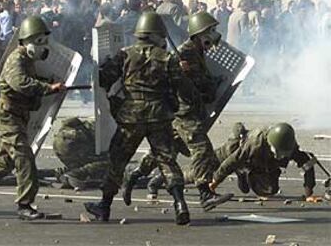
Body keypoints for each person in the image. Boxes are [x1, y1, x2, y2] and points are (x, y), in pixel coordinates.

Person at [84, 12, 190, 225]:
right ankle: (180, 205)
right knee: (166, 161)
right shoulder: (167, 58)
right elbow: (181, 87)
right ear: (158, 35)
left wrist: (104, 64)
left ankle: (104, 206)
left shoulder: (125, 55)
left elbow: (104, 79)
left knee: (117, 161)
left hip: (131, 117)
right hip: (159, 115)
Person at [123, 12, 233, 212]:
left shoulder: (198, 52)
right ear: (200, 34)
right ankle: (205, 193)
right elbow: (172, 79)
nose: (215, 34)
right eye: (212, 31)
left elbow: (202, 82)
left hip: (187, 111)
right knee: (202, 149)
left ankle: (136, 173)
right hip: (183, 111)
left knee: (165, 152)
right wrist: (184, 72)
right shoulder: (185, 53)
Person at [0, 16, 66, 220]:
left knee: (6, 160)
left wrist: (50, 83)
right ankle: (24, 204)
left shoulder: (28, 61)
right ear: (27, 42)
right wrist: (47, 88)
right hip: (7, 115)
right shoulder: (17, 59)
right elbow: (20, 83)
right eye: (39, 42)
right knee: (24, 156)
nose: (43, 47)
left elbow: (29, 80)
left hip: (17, 115)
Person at [210, 123, 320, 203]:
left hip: (262, 163)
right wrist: (215, 182)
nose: (281, 156)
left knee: (270, 191)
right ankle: (241, 170)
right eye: (278, 152)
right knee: (203, 167)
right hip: (237, 150)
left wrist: (308, 194)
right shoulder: (255, 143)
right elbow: (233, 160)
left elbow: (307, 164)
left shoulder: (289, 146)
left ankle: (244, 172)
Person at [52, 117, 109, 190]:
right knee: (109, 165)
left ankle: (71, 172)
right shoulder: (94, 128)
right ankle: (77, 174)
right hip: (76, 144)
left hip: (60, 146)